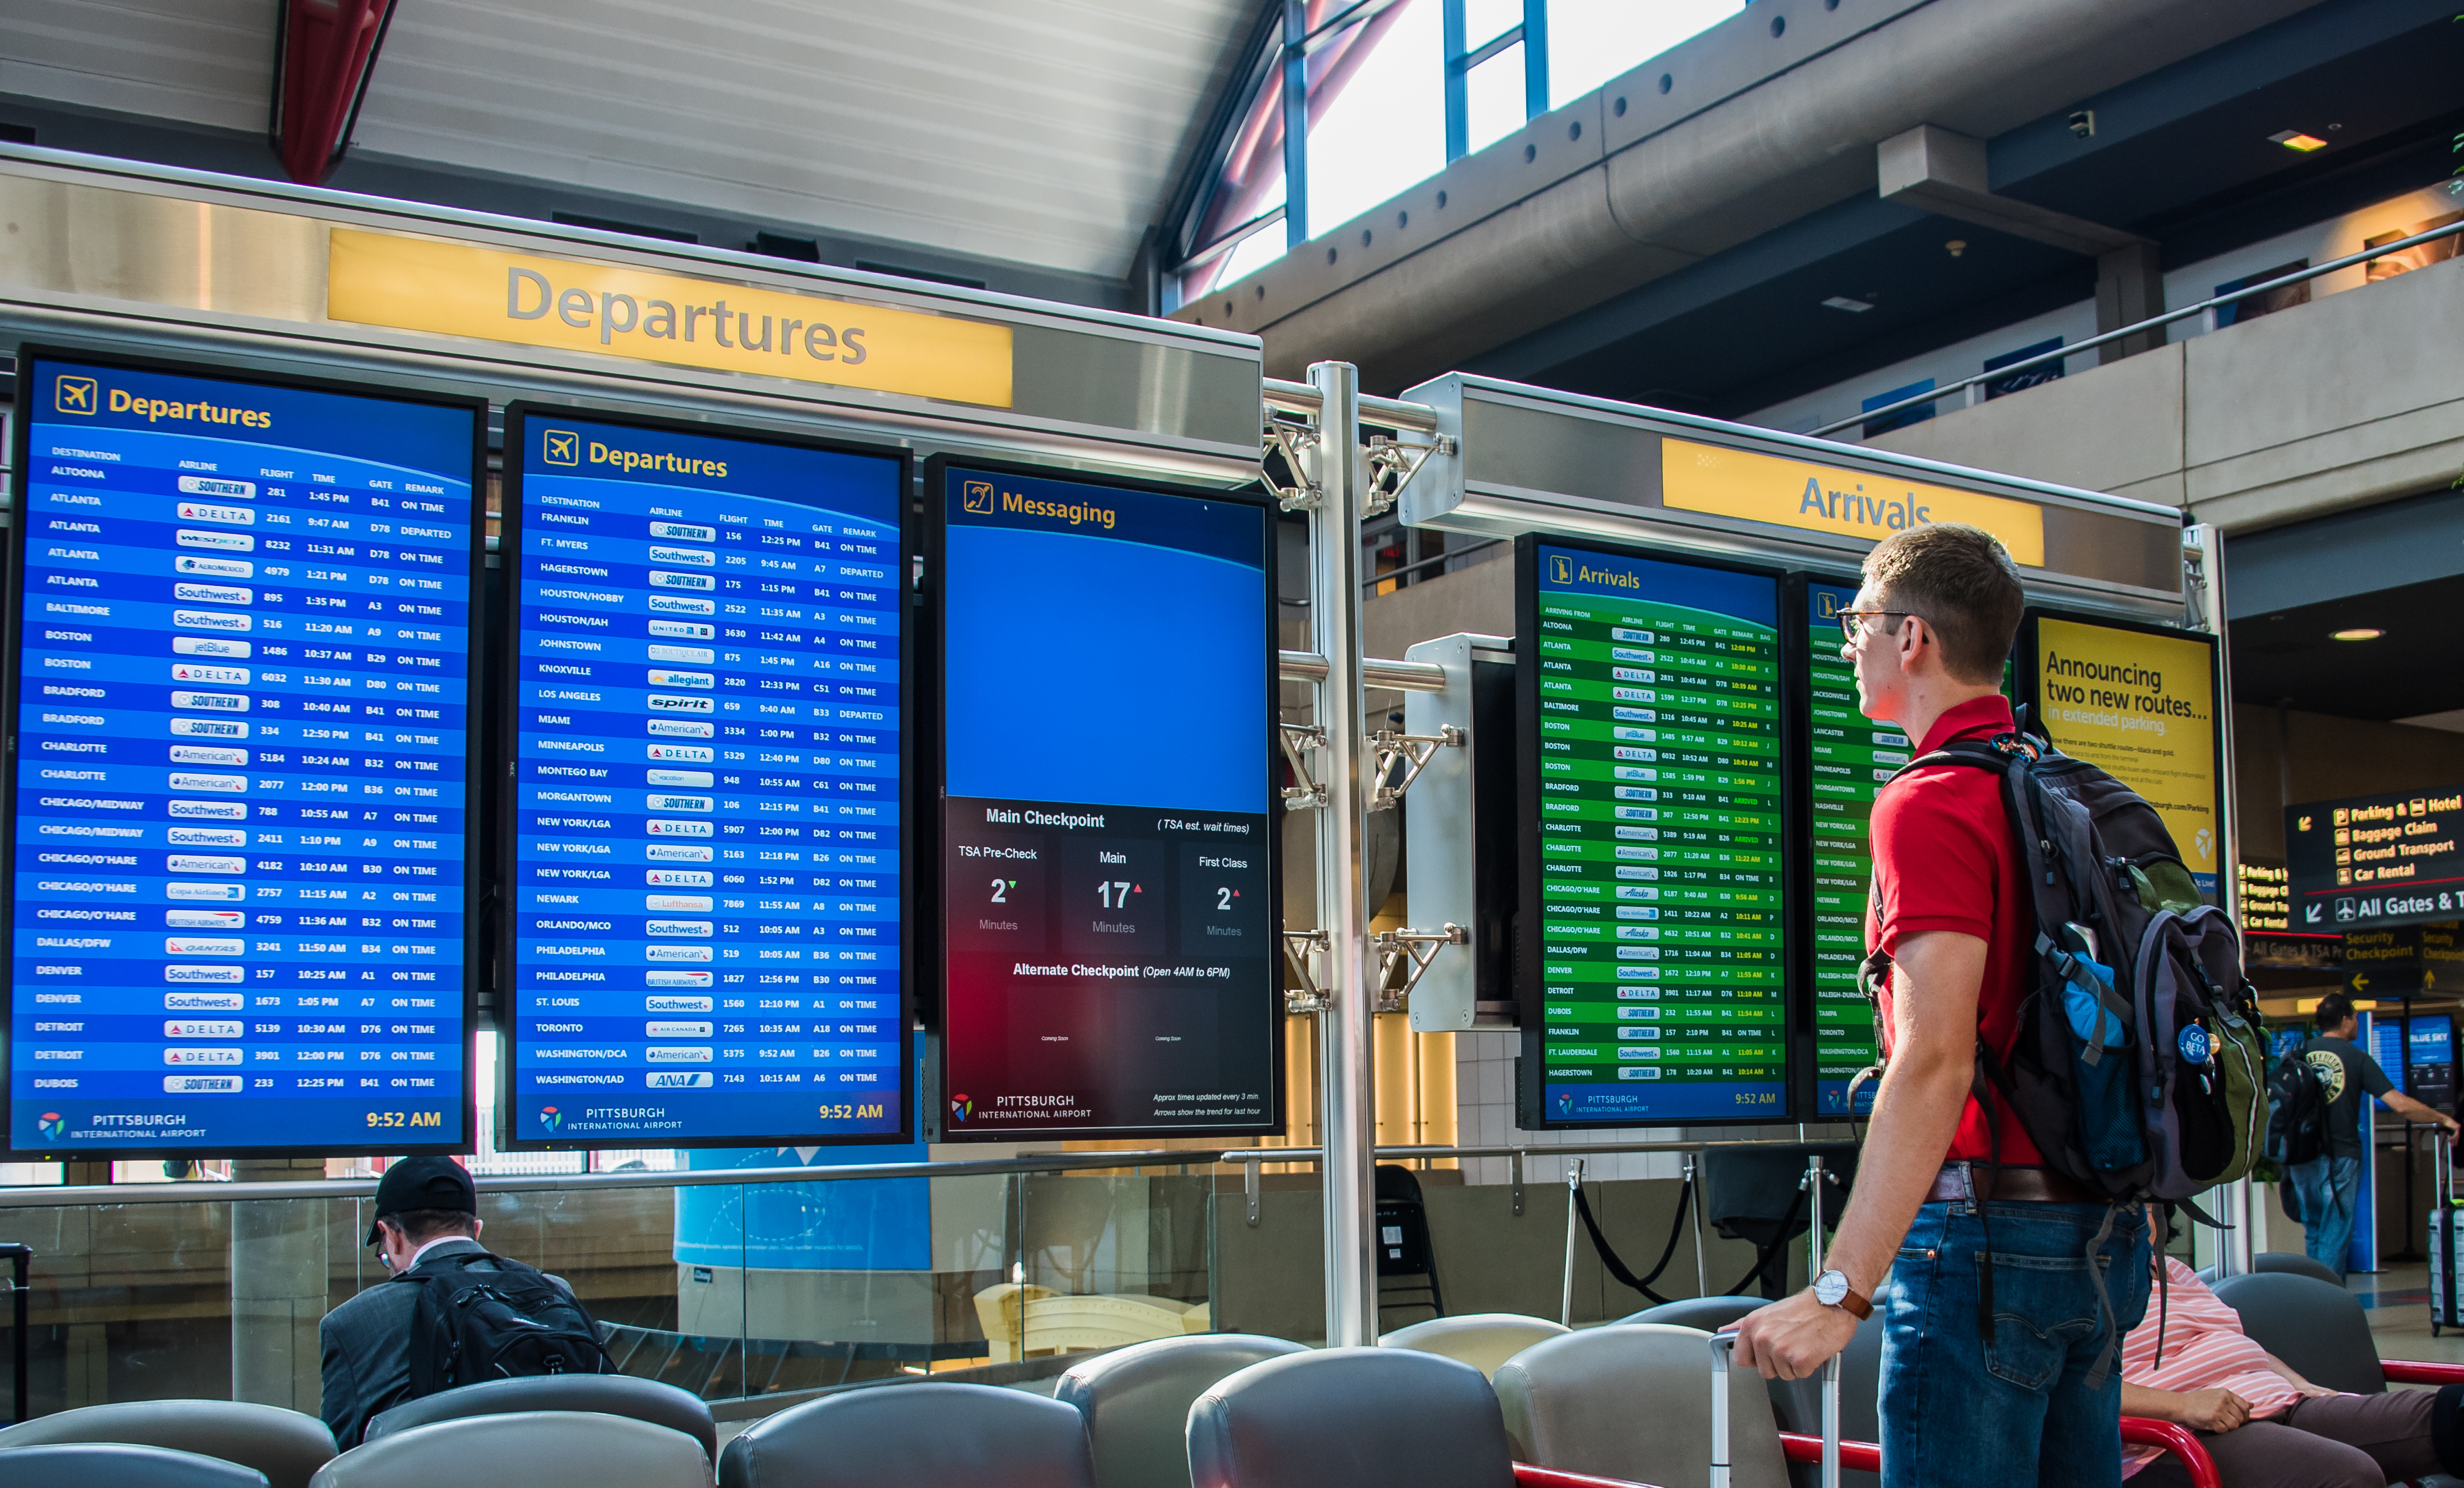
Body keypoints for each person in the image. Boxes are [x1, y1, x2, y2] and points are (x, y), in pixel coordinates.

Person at [1734, 522, 2151, 1488]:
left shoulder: (1925, 801)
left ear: (1910, 636)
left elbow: (1932, 1059)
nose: (1849, 644)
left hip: (1980, 1249)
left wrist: (1839, 1288)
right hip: (2097, 1238)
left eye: (1856, 623)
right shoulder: (2057, 788)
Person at [2120, 1238, 2451, 1486]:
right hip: (2185, 1433)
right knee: (2348, 1475)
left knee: (2450, 1416)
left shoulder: (2170, 1268)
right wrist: (2184, 1406)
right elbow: (2075, 1388)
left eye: (2149, 1208)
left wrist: (2299, 1383)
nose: (2143, 1216)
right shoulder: (2083, 1285)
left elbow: (2233, 1341)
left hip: (2277, 1402)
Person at [318, 1155, 492, 1448]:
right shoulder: (555, 1291)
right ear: (476, 1230)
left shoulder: (354, 1322)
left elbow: (339, 1458)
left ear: (391, 1236)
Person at [2287, 991, 2458, 1278]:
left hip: (2301, 1156)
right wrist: (2443, 1118)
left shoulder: (2297, 1052)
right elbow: (2400, 1105)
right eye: (2354, 1017)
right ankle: (2328, 1309)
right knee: (2335, 1233)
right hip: (2340, 1156)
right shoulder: (2356, 1058)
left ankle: (2311, 1300)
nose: (2356, 1023)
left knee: (2314, 1230)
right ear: (2345, 1020)